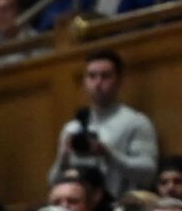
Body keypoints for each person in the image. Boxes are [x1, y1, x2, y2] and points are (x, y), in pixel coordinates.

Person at [47, 48, 158, 197]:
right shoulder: (72, 128)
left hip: (119, 206)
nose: (98, 83)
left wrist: (108, 154)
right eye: (92, 76)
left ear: (119, 81)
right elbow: (53, 183)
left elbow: (148, 174)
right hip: (79, 208)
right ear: (85, 82)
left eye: (105, 76)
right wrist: (63, 159)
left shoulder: (136, 122)